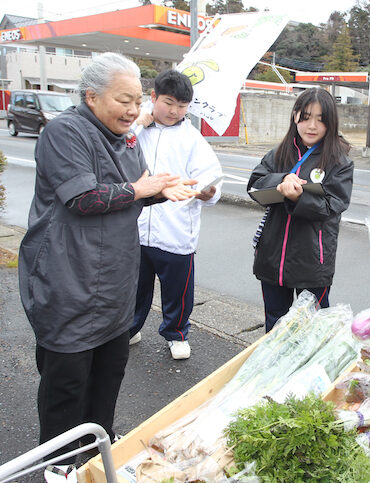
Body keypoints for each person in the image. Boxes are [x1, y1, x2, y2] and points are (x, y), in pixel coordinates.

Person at [18, 52, 198, 476]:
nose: (134, 110)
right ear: (91, 96)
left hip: (115, 277)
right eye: (124, 100)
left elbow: (131, 191)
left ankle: (98, 442)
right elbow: (83, 198)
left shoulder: (128, 139)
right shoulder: (64, 132)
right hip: (68, 276)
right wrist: (141, 188)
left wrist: (159, 189)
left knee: (109, 371)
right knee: (67, 379)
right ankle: (58, 462)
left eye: (138, 100)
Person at [128, 70, 223, 360]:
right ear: (153, 97)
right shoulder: (135, 130)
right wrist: (135, 126)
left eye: (182, 106)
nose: (174, 111)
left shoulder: (192, 138)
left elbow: (212, 178)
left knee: (178, 291)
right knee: (134, 287)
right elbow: (110, 152)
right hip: (135, 225)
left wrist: (209, 192)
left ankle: (176, 333)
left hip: (176, 228)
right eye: (168, 102)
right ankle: (130, 328)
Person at [247, 88, 354, 332]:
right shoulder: (279, 153)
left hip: (313, 263)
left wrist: (298, 199)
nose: (312, 125)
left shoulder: (340, 161)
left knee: (313, 328)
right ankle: (277, 369)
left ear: (330, 122)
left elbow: (333, 205)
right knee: (275, 324)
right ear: (295, 116)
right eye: (305, 117)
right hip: (272, 258)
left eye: (320, 119)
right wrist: (281, 181)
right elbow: (254, 185)